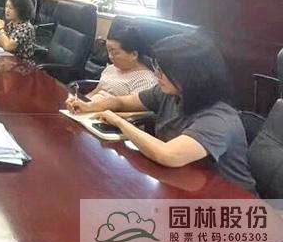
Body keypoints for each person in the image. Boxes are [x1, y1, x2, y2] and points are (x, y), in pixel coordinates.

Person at [67, 34, 256, 192]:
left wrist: (118, 121)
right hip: (184, 183)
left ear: (191, 75)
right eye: (157, 68)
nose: (156, 75)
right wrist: (90, 106)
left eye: (164, 71)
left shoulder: (218, 119)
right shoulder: (170, 92)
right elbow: (123, 102)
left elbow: (169, 155)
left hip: (227, 201)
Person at [72, 26, 157, 101]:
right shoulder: (112, 68)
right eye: (108, 51)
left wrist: (93, 108)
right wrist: (80, 102)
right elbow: (97, 91)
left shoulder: (145, 80)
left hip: (107, 112)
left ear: (134, 54)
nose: (110, 56)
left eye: (114, 53)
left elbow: (134, 110)